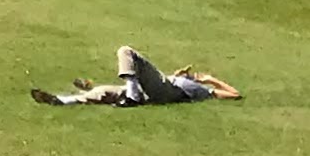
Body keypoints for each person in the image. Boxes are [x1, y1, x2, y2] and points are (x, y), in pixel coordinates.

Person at [31, 47, 238, 106]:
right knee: (103, 92)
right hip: (156, 91)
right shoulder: (181, 82)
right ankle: (62, 101)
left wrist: (210, 79)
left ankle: (132, 94)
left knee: (126, 52)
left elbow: (235, 95)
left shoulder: (204, 92)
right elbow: (163, 82)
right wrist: (178, 75)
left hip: (166, 91)